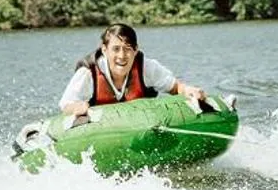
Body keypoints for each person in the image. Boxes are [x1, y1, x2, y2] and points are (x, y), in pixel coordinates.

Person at [60, 23, 207, 119]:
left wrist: (188, 89)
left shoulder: (147, 67)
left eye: (128, 49)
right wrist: (77, 107)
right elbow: (66, 104)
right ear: (104, 50)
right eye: (116, 49)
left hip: (140, 123)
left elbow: (175, 87)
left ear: (136, 50)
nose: (122, 56)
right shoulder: (88, 73)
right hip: (101, 129)